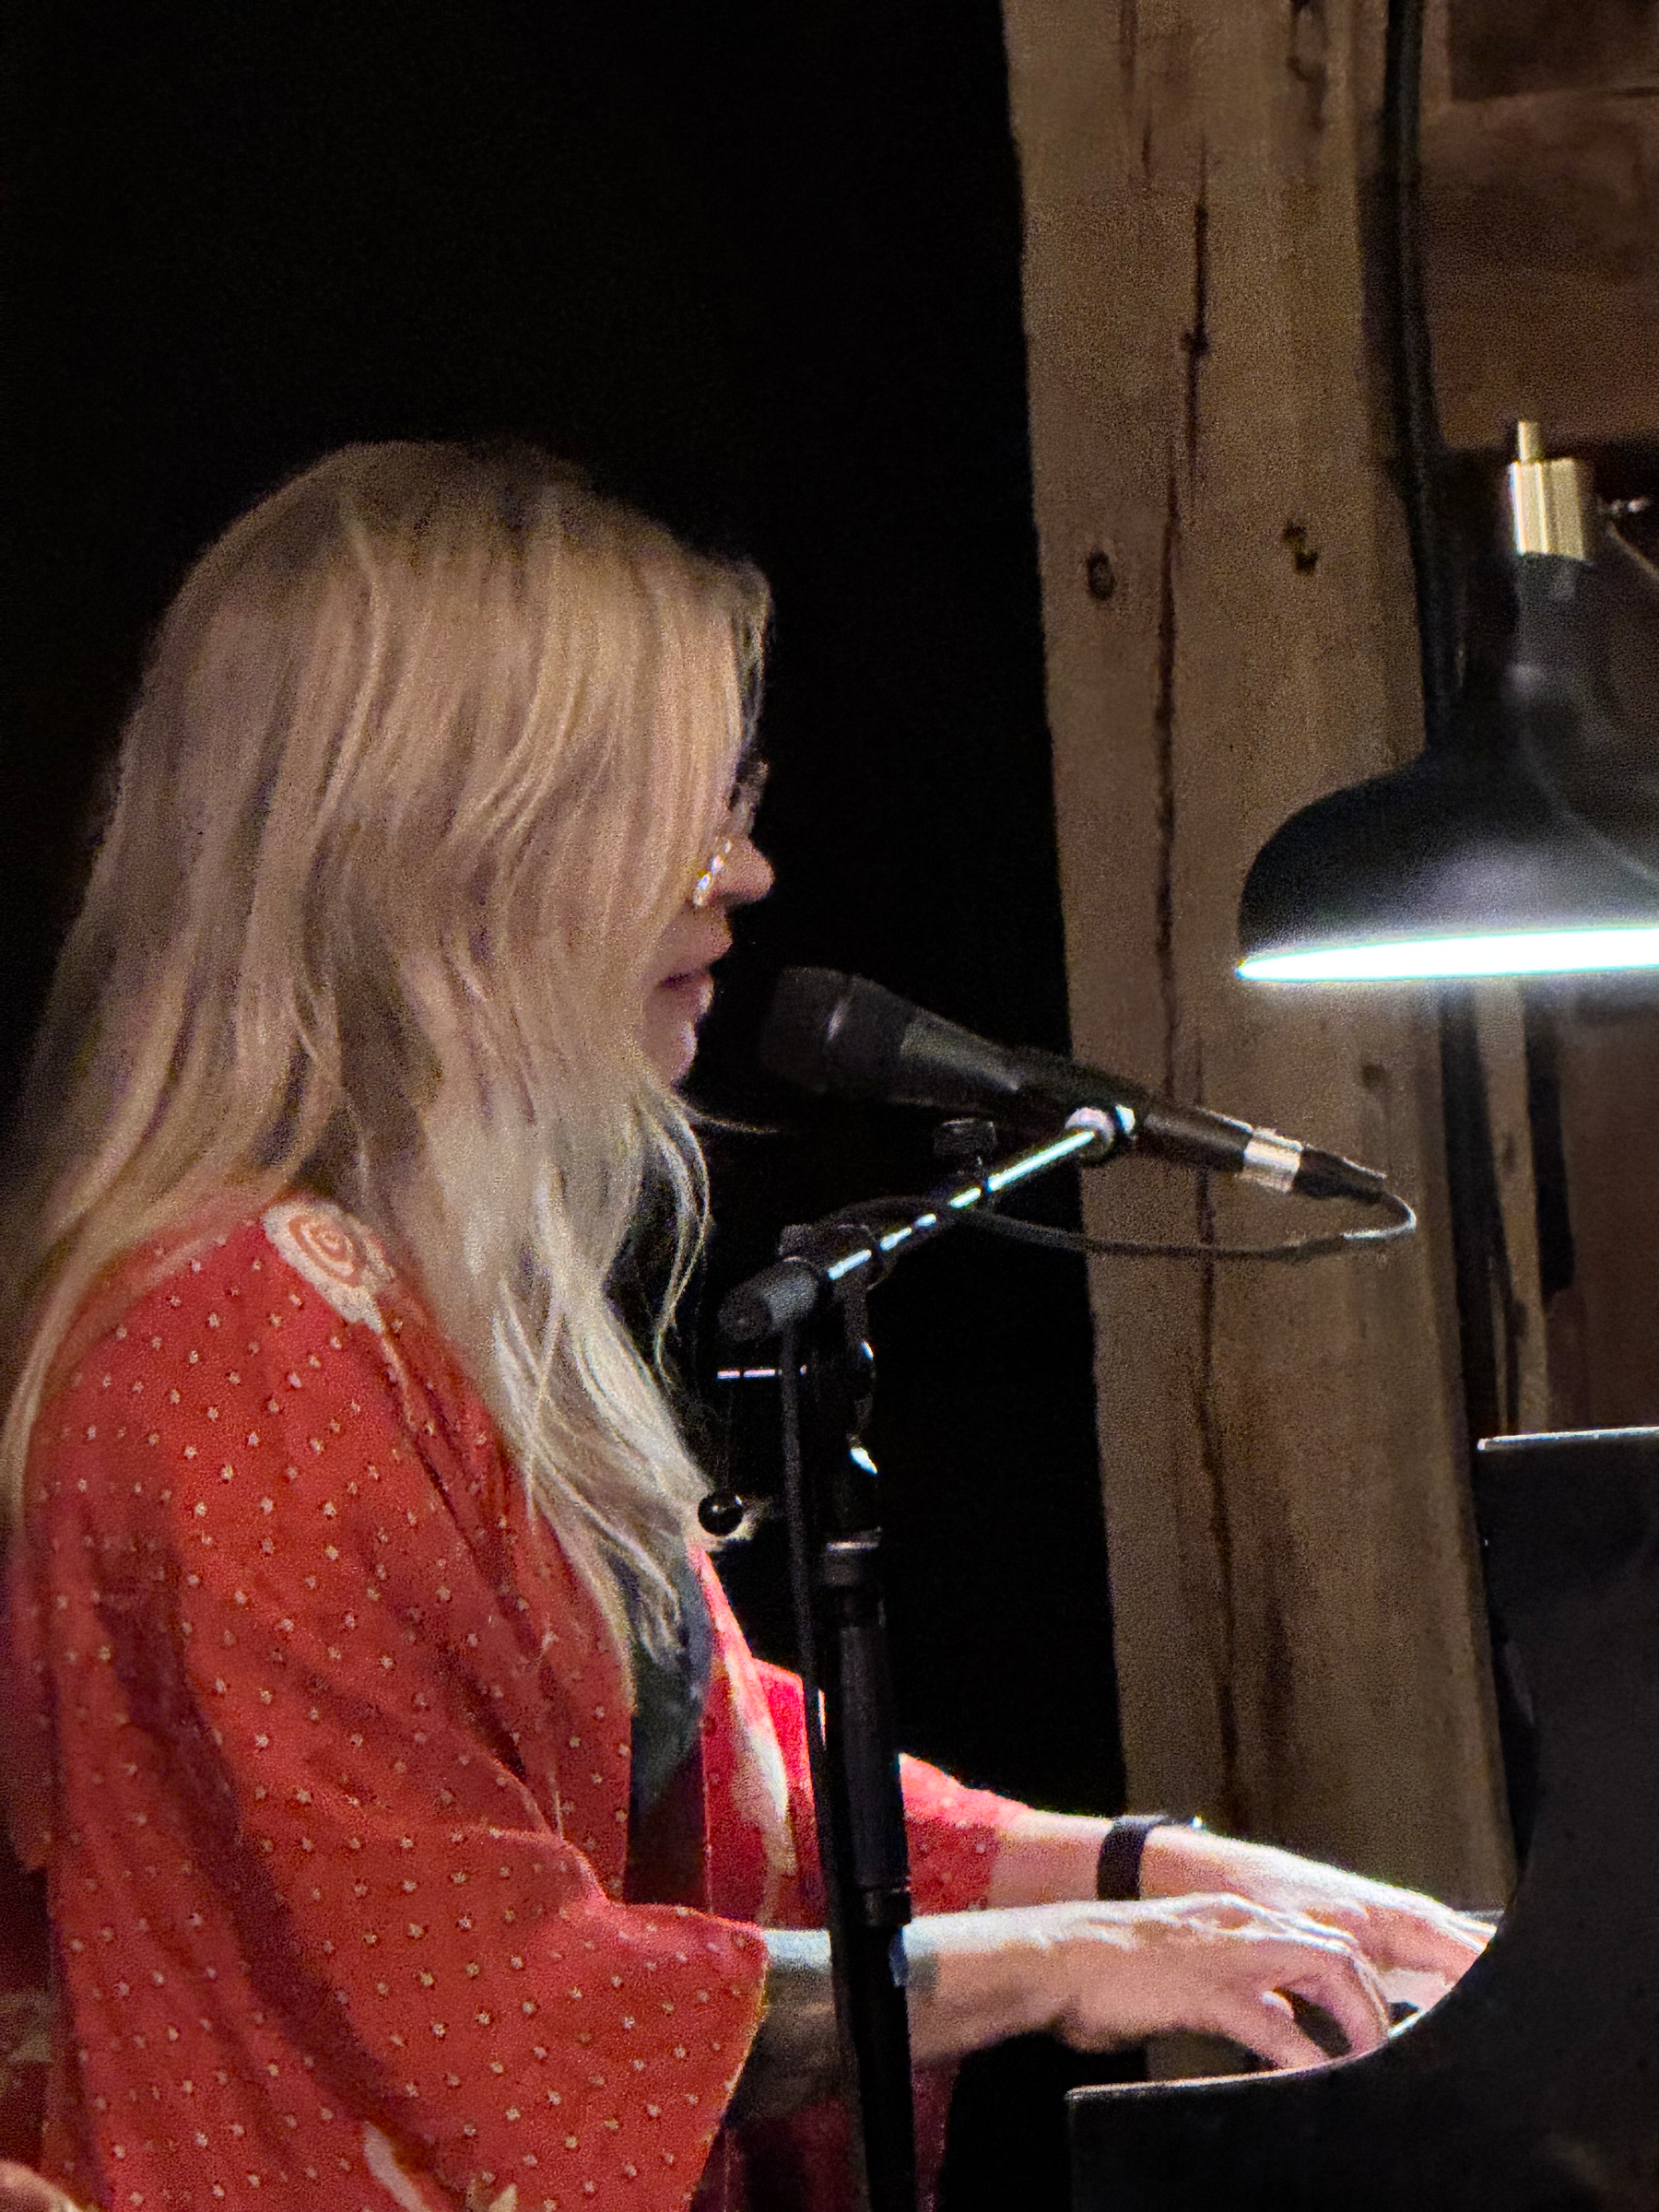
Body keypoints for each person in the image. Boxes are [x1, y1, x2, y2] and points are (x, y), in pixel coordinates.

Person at [0, 444, 1488, 2212]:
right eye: (678, 814)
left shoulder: (396, 1303)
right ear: (448, 844)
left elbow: (728, 1780)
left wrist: (1164, 1873)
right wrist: (1064, 1961)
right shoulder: (239, 1343)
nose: (750, 872)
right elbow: (484, 2001)